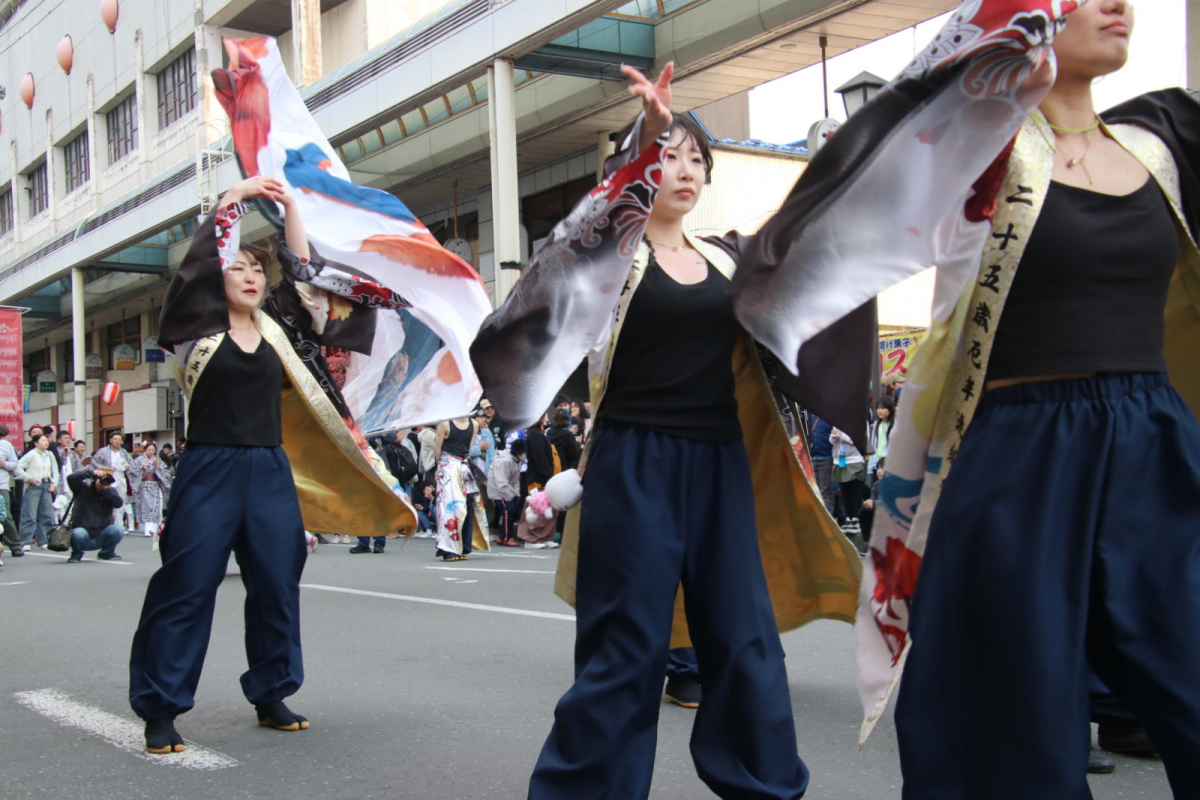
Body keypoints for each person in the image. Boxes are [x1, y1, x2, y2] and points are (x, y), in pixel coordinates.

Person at [472, 63, 865, 800]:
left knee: (745, 641)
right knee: (626, 650)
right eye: (670, 153)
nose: (683, 169)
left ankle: (766, 785)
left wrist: (848, 165)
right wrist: (648, 131)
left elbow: (810, 262)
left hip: (721, 467)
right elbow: (587, 228)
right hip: (631, 465)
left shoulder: (729, 259)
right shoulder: (611, 260)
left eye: (695, 158)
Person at [849, 3, 1200, 797]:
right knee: (1011, 730)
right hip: (1019, 459)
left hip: (1156, 447)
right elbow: (856, 187)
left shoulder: (1166, 146)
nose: (1118, 7)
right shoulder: (973, 154)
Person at [129, 175, 414, 755]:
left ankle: (272, 692)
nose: (253, 277)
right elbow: (192, 275)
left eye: (258, 270)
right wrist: (230, 204)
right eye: (239, 269)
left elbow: (305, 278)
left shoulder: (281, 330)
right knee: (185, 587)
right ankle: (161, 708)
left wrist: (291, 210)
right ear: (217, 279)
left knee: (277, 586)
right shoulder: (194, 331)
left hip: (268, 472)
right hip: (208, 470)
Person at [433, 416, 488, 561]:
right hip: (463, 466)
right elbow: (468, 449)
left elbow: (437, 451)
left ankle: (450, 549)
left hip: (447, 466)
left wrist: (439, 467)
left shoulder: (444, 424)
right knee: (465, 506)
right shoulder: (474, 424)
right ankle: (462, 547)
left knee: (448, 508)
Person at [66, 467, 125, 563]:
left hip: (101, 534)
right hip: (83, 534)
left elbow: (118, 504)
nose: (105, 483)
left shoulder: (110, 492)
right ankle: (77, 553)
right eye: (102, 479)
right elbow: (71, 478)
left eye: (108, 481)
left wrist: (105, 491)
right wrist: (91, 472)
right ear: (95, 479)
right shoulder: (83, 490)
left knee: (118, 529)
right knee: (77, 533)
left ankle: (106, 553)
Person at [15, 433, 59, 550]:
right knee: (29, 514)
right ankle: (25, 541)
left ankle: (43, 540)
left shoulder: (50, 454)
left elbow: (55, 470)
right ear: (36, 443)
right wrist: (27, 477)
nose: (46, 442)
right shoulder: (31, 454)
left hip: (46, 485)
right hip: (34, 485)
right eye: (43, 440)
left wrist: (54, 484)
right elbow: (17, 467)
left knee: (45, 514)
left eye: (46, 440)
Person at [545, 409, 581, 541]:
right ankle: (559, 532)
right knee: (563, 503)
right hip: (566, 472)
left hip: (552, 472)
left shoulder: (548, 434)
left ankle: (549, 531)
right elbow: (574, 456)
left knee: (550, 502)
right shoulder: (568, 436)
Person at [91, 432, 133, 531]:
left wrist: (128, 466)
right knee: (105, 499)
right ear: (110, 440)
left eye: (119, 440)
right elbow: (94, 462)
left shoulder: (123, 452)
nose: (118, 441)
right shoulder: (103, 451)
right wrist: (106, 468)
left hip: (120, 477)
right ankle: (104, 524)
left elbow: (131, 463)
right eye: (116, 439)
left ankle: (119, 525)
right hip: (107, 477)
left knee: (120, 500)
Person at [130, 443, 172, 538]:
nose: (151, 451)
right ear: (145, 450)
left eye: (153, 450)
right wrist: (141, 468)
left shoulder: (157, 460)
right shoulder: (139, 460)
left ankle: (153, 528)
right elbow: (131, 471)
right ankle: (146, 529)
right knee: (145, 506)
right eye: (149, 449)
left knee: (154, 506)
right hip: (143, 486)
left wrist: (157, 467)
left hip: (154, 486)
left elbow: (166, 473)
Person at [488, 438, 524, 546]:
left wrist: (516, 495)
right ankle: (506, 537)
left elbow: (515, 479)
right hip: (499, 491)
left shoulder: (515, 460)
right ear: (519, 452)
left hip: (508, 489)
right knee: (508, 512)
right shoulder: (505, 461)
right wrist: (511, 496)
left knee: (510, 512)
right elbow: (501, 481)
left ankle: (503, 536)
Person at [0, 425, 22, 558]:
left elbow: (15, 463)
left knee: (5, 515)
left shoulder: (6, 445)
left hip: (1, 484)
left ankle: (15, 545)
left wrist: (4, 464)